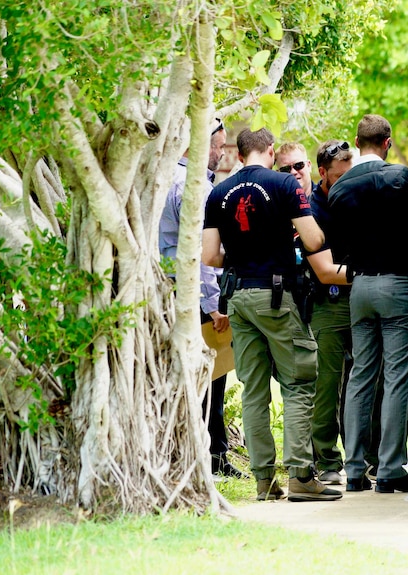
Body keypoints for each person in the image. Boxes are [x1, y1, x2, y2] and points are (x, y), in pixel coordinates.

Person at [202, 127, 342, 502]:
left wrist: (244, 255)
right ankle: (300, 474)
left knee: (253, 390)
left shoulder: (217, 192)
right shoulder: (284, 185)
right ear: (267, 150)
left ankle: (264, 480)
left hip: (239, 297)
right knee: (298, 383)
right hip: (277, 297)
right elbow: (313, 240)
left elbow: (210, 256)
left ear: (241, 151)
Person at [327, 114, 408, 493]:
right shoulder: (400, 177)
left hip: (359, 288)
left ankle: (355, 469)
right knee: (397, 378)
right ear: (387, 142)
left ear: (357, 143)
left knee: (360, 376)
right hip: (397, 285)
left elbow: (338, 247)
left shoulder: (339, 189)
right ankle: (390, 467)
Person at [158, 118, 247, 479]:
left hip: (167, 294)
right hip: (193, 298)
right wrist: (212, 305)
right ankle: (212, 456)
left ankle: (197, 453)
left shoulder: (163, 179)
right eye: (216, 146)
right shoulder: (190, 186)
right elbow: (201, 256)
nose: (219, 154)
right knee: (211, 377)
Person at [298, 139, 354, 485]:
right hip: (328, 303)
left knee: (365, 383)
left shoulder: (355, 195)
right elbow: (323, 270)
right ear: (322, 173)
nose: (346, 181)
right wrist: (370, 270)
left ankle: (367, 457)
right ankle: (328, 460)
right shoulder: (312, 209)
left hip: (359, 299)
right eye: (339, 176)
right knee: (328, 385)